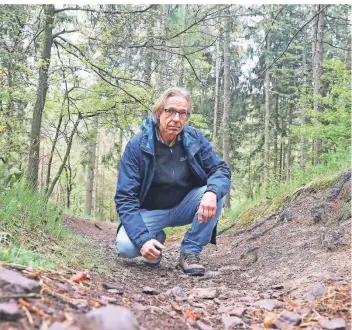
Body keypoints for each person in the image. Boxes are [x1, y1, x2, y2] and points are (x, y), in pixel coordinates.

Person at [114, 87, 231, 276]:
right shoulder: (138, 145)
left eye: (182, 113)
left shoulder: (194, 139)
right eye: (170, 111)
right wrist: (143, 239)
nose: (176, 119)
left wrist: (211, 193)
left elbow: (220, 169)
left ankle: (190, 251)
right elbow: (125, 198)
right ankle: (155, 239)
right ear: (159, 112)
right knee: (126, 247)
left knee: (216, 193)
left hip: (187, 204)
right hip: (152, 212)